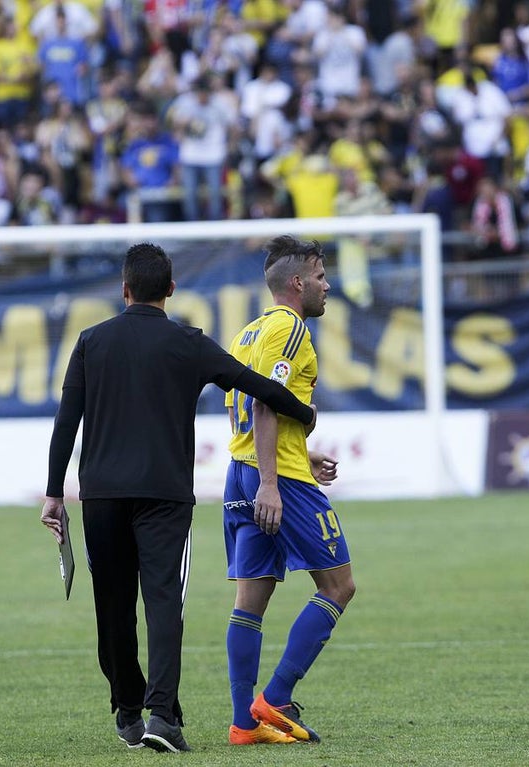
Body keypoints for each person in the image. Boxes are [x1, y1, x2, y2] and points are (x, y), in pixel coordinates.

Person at [39, 242, 318, 754]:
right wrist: (303, 413)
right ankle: (162, 715)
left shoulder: (91, 342)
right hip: (165, 496)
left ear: (124, 290)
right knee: (165, 603)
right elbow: (255, 386)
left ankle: (126, 709)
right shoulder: (188, 342)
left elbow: (66, 421)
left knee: (114, 606)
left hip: (100, 495)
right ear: (171, 289)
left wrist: (55, 492)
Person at [223, 235, 355, 746]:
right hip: (275, 480)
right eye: (321, 277)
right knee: (338, 586)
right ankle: (275, 698)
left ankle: (243, 723)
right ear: (298, 283)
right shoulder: (291, 327)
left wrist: (299, 448)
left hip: (242, 470)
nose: (328, 286)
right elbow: (264, 403)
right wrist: (275, 482)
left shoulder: (249, 332)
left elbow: (252, 410)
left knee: (250, 600)